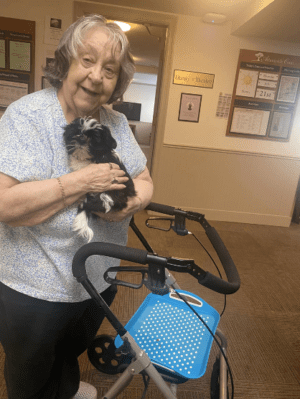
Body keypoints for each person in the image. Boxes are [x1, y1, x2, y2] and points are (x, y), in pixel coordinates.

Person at [0, 14, 153, 399]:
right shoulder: (27, 117)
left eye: (109, 69)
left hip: (96, 278)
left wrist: (130, 203)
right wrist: (82, 182)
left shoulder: (116, 123)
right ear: (67, 61)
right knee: (30, 368)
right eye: (87, 60)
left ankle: (65, 389)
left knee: (70, 352)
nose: (96, 76)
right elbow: (4, 204)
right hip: (35, 285)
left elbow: (146, 180)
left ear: (117, 82)